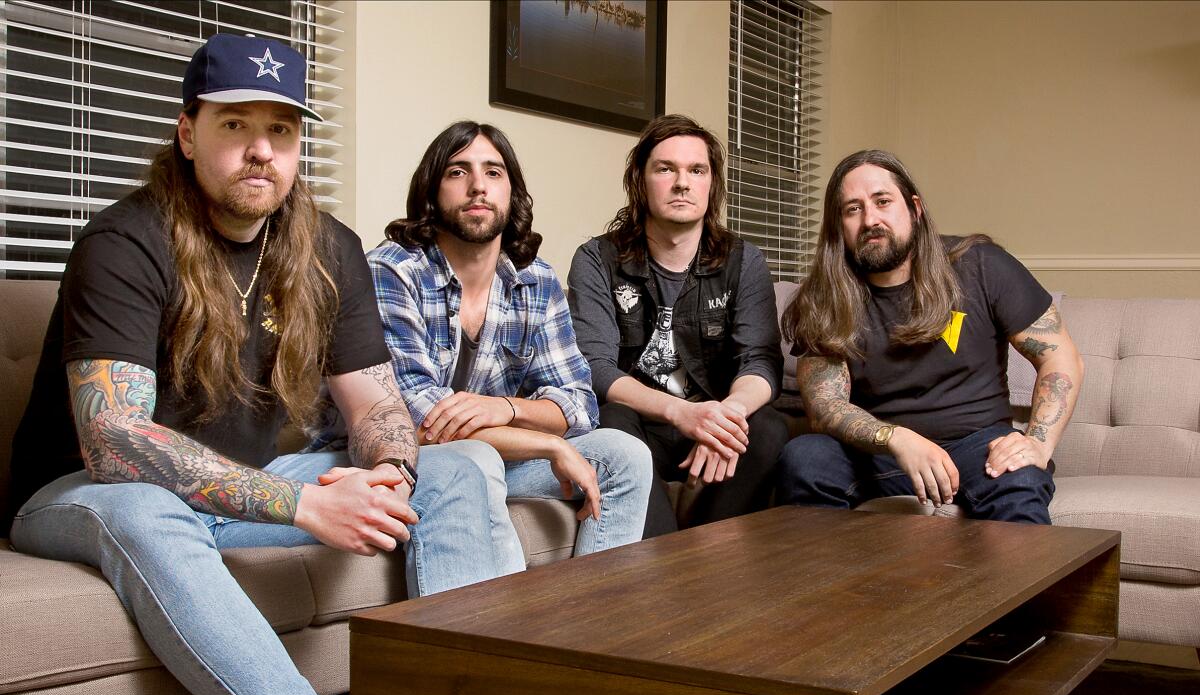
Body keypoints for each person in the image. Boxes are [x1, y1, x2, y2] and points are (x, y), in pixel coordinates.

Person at [6, 34, 496, 695]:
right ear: (188, 132)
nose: (261, 148)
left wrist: (387, 471)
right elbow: (114, 442)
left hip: (249, 484)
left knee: (458, 465)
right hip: (83, 496)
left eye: (281, 128)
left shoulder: (327, 247)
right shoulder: (125, 240)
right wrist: (306, 502)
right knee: (147, 511)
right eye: (236, 124)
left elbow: (378, 405)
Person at [368, 120, 652, 576]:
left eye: (494, 173)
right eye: (458, 172)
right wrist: (548, 447)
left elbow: (578, 403)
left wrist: (506, 409)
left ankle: (596, 624)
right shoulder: (393, 270)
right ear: (431, 190)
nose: (478, 186)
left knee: (625, 454)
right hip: (403, 454)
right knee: (475, 461)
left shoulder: (534, 279)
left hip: (495, 447)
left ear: (513, 192)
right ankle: (511, 633)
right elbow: (417, 420)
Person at [776, 149, 1084, 523]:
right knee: (805, 457)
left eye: (883, 201)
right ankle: (827, 582)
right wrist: (897, 439)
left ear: (914, 208)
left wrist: (1038, 442)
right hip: (878, 454)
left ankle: (1024, 583)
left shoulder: (979, 265)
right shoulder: (824, 297)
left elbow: (1059, 355)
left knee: (1019, 478)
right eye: (852, 209)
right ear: (838, 225)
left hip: (976, 445)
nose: (870, 219)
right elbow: (826, 407)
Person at [567, 114, 788, 538]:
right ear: (641, 181)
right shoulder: (597, 259)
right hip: (639, 422)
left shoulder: (744, 261)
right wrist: (680, 411)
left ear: (711, 184)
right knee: (610, 421)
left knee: (769, 428)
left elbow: (760, 361)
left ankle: (702, 553)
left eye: (696, 170)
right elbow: (593, 367)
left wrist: (727, 416)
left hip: (709, 423)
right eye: (666, 169)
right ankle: (660, 559)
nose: (682, 182)